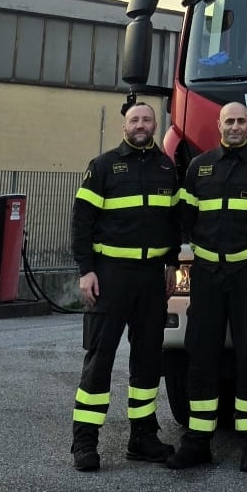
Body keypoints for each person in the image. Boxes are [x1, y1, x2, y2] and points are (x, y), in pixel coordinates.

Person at [167, 102, 247, 473]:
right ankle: (197, 442)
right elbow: (185, 217)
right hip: (207, 274)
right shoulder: (199, 167)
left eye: (240, 121)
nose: (235, 126)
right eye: (229, 121)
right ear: (218, 125)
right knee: (201, 355)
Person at [70, 102, 180, 471]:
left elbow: (173, 222)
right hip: (111, 275)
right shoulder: (103, 166)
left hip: (151, 277)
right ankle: (85, 442)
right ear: (124, 127)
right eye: (134, 120)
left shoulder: (166, 168)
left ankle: (143, 437)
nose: (140, 125)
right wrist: (86, 270)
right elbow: (82, 221)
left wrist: (172, 263)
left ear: (155, 125)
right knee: (100, 357)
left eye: (147, 119)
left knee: (148, 360)